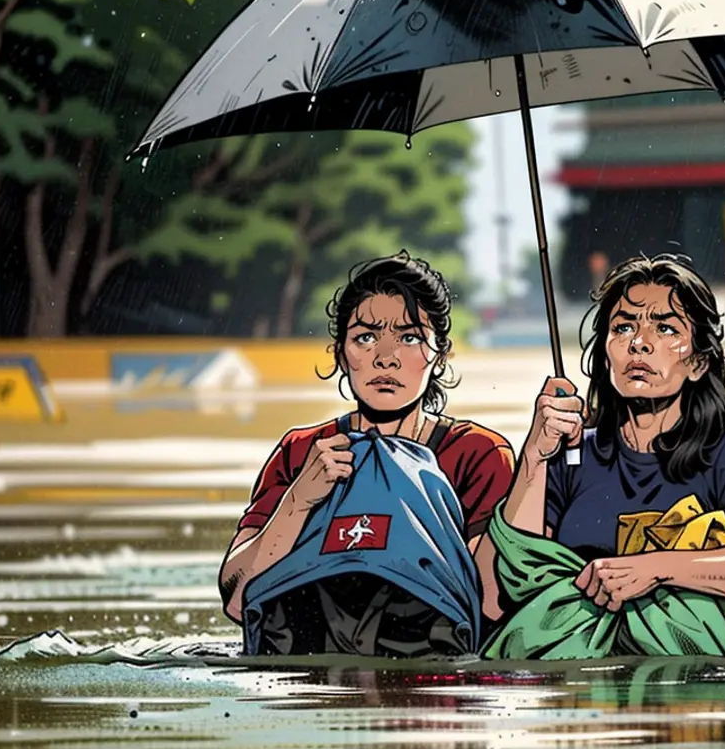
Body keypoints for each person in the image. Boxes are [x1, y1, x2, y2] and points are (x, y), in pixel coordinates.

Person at [218, 252, 516, 652]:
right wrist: (299, 501)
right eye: (365, 337)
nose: (385, 357)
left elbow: (491, 606)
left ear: (440, 355)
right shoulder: (300, 451)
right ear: (341, 353)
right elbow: (238, 599)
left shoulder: (476, 454)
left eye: (410, 338)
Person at [501, 252, 725, 615]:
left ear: (699, 363)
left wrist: (657, 568)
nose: (639, 342)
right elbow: (511, 587)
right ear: (606, 357)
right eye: (623, 328)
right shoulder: (569, 457)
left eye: (665, 328)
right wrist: (534, 458)